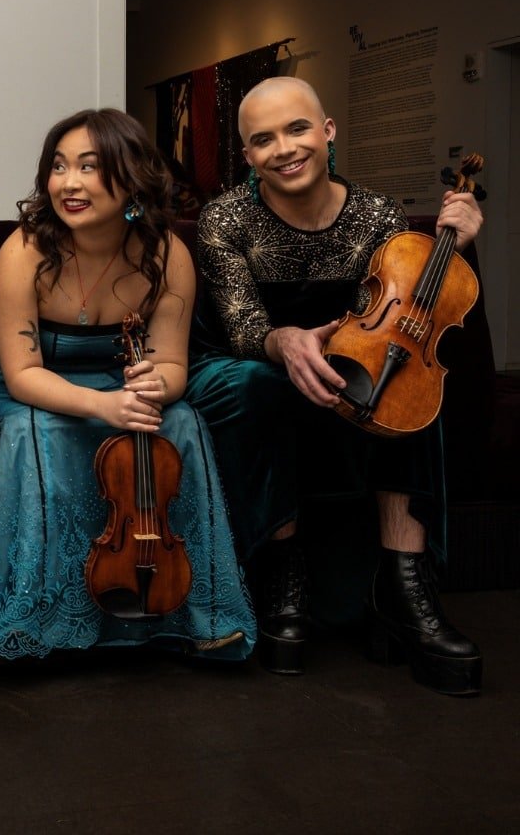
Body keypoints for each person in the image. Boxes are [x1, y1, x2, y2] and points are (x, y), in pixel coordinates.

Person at [183, 75, 483, 695]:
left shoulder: (377, 214)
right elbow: (243, 328)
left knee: (408, 381)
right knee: (262, 384)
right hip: (245, 360)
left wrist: (455, 247)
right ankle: (283, 572)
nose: (284, 149)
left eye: (297, 129)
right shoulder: (225, 219)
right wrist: (287, 342)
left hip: (348, 349)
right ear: (247, 155)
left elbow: (410, 317)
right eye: (263, 139)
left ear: (327, 132)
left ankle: (404, 588)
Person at [0, 108, 255, 669]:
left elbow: (172, 366)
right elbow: (22, 375)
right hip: (29, 383)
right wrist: (103, 406)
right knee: (36, 431)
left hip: (120, 378)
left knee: (181, 422)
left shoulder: (167, 255)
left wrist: (154, 386)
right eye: (59, 167)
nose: (69, 183)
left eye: (89, 167)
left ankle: (186, 611)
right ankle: (31, 622)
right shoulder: (24, 251)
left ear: (131, 177)